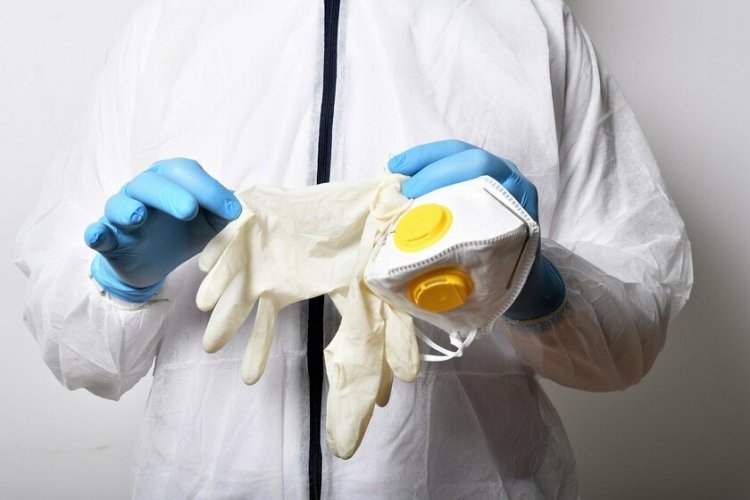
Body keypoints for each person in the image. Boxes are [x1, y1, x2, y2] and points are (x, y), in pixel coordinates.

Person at [14, 1, 693, 498]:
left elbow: (628, 340)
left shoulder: (528, 27)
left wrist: (529, 277)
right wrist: (121, 280)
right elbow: (75, 348)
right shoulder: (169, 28)